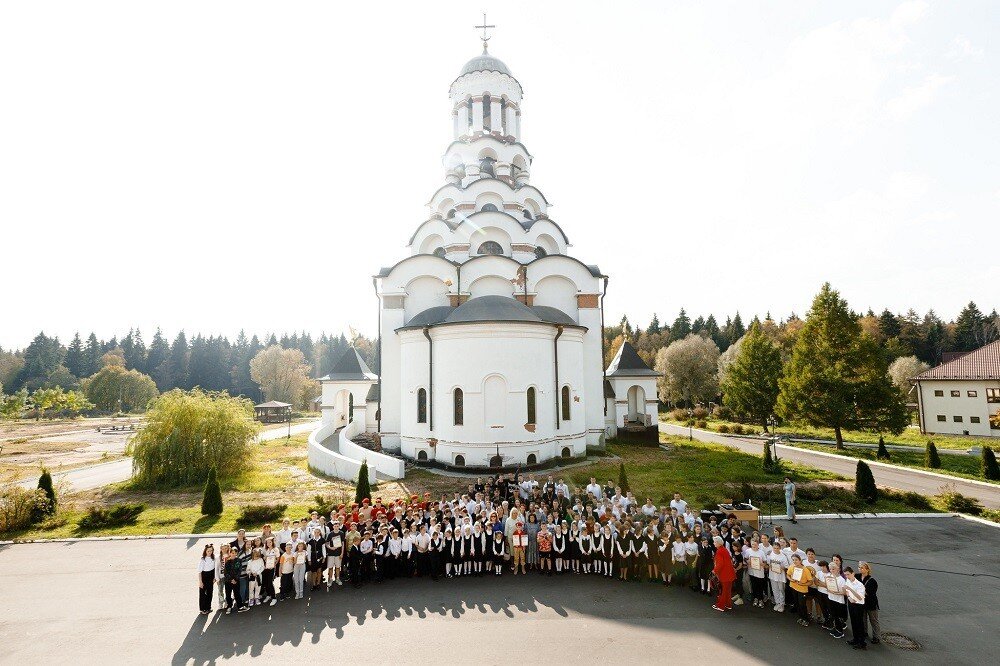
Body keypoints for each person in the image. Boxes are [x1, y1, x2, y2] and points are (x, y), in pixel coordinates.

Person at [786, 554, 814, 626]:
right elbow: (788, 575)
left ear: (800, 560)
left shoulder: (805, 570)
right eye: (793, 560)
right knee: (797, 604)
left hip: (802, 590)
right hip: (794, 588)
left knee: (802, 605)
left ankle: (806, 619)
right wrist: (791, 579)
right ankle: (801, 617)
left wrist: (803, 584)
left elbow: (810, 581)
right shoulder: (791, 566)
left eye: (796, 560)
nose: (794, 561)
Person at [843, 567, 868, 649]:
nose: (847, 576)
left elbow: (860, 597)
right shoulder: (847, 580)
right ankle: (855, 639)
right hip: (851, 603)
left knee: (859, 623)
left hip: (858, 605)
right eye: (845, 574)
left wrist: (850, 588)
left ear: (853, 573)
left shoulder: (860, 585)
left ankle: (862, 642)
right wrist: (849, 597)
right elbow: (847, 592)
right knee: (853, 622)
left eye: (848, 574)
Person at [711, 536, 736, 612]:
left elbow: (720, 564)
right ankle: (728, 605)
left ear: (718, 543)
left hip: (724, 575)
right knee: (727, 590)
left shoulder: (719, 551)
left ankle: (721, 606)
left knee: (723, 591)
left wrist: (714, 571)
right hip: (729, 574)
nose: (713, 543)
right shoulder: (724, 549)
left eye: (715, 542)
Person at [858, 562, 880, 645]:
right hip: (862, 603)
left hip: (871, 604)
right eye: (859, 567)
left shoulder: (872, 581)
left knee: (873, 620)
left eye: (862, 568)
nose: (860, 569)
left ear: (867, 569)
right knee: (863, 619)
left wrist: (860, 590)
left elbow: (870, 594)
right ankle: (864, 632)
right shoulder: (858, 577)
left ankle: (876, 637)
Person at [766, 542, 790, 612]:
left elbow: (787, 566)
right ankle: (777, 603)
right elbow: (768, 564)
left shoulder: (783, 556)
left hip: (780, 576)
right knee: (774, 589)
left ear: (780, 548)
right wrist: (769, 566)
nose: (776, 549)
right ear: (772, 548)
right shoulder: (770, 554)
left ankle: (782, 604)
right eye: (774, 548)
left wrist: (782, 567)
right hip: (772, 575)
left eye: (777, 548)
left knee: (781, 590)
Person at [198, 544, 216, 615]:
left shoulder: (213, 557)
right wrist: (200, 582)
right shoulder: (203, 559)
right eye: (208, 551)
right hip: (204, 576)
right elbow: (199, 572)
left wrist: (214, 578)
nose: (210, 552)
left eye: (211, 551)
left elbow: (215, 568)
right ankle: (203, 609)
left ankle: (208, 607)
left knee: (210, 593)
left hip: (211, 576)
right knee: (202, 593)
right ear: (205, 551)